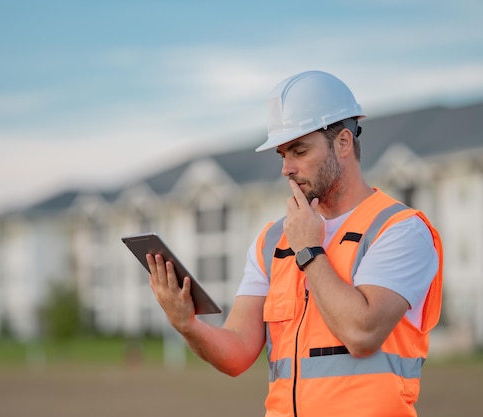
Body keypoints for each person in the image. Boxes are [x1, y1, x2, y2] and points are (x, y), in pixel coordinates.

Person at [147, 70, 443, 417]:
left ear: (343, 142)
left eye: (299, 150)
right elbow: (238, 352)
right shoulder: (271, 241)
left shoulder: (400, 230)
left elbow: (362, 333)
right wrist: (187, 325)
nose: (287, 168)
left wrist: (309, 251)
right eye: (282, 154)